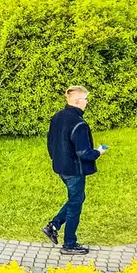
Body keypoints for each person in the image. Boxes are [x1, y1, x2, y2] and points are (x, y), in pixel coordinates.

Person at [43, 86, 107, 255]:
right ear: (78, 101)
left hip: (60, 167)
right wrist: (99, 152)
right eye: (86, 100)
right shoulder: (79, 124)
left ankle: (54, 225)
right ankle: (69, 244)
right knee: (75, 205)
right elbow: (84, 153)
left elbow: (50, 142)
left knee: (77, 198)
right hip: (74, 170)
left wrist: (55, 158)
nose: (87, 103)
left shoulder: (57, 117)